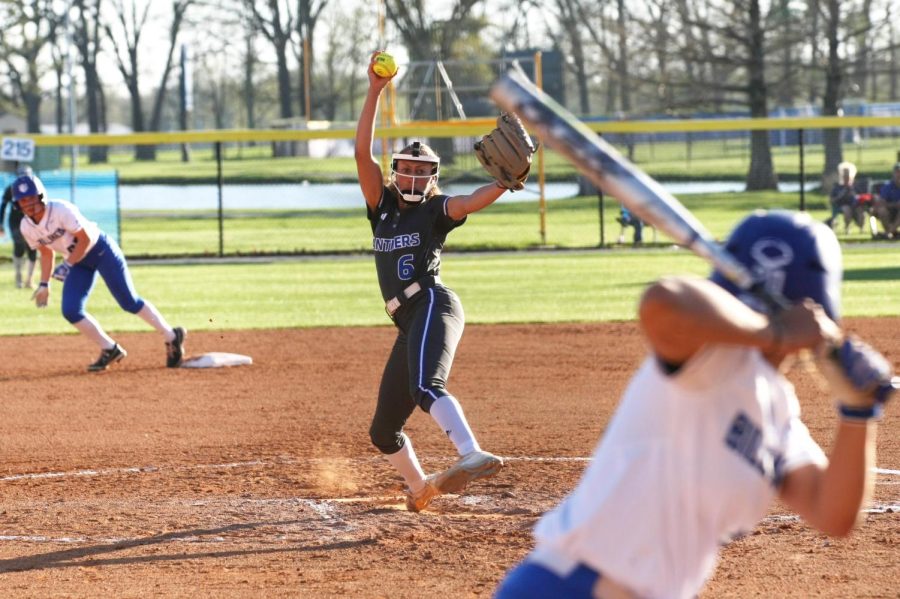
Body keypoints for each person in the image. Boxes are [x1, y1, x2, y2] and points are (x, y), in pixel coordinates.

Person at [495, 210, 894, 598]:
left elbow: (832, 513)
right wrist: (775, 331)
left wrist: (858, 411)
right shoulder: (705, 357)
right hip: (570, 587)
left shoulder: (778, 408)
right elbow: (662, 301)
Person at [355, 52, 507, 512]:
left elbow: (470, 201)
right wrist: (375, 90)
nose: (415, 176)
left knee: (426, 386)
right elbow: (362, 152)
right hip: (407, 321)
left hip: (434, 305)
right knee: (383, 431)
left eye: (423, 172)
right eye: (407, 169)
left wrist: (504, 184)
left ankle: (470, 452)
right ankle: (420, 488)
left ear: (432, 178)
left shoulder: (434, 211)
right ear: (396, 171)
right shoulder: (381, 207)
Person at [12, 173, 187, 371]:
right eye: (22, 200)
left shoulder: (61, 209)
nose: (27, 203)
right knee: (71, 311)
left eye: (31, 198)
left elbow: (85, 240)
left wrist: (68, 264)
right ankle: (109, 348)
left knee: (128, 302)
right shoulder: (26, 226)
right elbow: (46, 253)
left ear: (41, 196)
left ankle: (172, 336)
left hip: (100, 251)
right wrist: (44, 284)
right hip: (79, 262)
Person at [0, 165, 38, 288]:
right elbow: (3, 206)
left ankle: (28, 280)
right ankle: (19, 278)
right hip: (16, 222)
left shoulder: (36, 188)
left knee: (32, 249)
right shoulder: (11, 189)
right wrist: (1, 224)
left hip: (31, 222)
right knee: (20, 248)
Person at [827, 161, 863, 235]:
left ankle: (861, 227)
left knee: (860, 210)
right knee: (846, 209)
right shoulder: (837, 187)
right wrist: (841, 195)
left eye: (848, 175)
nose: (846, 177)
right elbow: (832, 200)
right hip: (841, 206)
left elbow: (861, 196)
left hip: (855, 205)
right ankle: (847, 227)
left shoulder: (855, 186)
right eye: (844, 175)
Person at [873, 162, 900, 238]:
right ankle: (892, 232)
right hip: (890, 211)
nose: (899, 175)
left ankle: (889, 233)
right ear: (893, 174)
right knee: (882, 211)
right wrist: (895, 205)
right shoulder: (887, 187)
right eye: (897, 172)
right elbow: (882, 203)